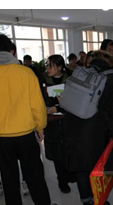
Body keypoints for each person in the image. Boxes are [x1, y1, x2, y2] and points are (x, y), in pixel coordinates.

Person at [0, 34, 54, 205]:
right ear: (11, 52)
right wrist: (40, 127)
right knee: (35, 178)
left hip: (0, 139)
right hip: (26, 136)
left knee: (9, 181)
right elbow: (38, 106)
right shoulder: (26, 73)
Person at [64, 50, 113, 204]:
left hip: (71, 123)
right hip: (94, 129)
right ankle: (98, 200)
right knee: (94, 167)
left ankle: (86, 200)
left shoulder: (82, 72)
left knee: (80, 165)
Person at [42, 55, 71, 194]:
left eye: (51, 66)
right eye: (47, 65)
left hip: (67, 121)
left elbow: (76, 101)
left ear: (60, 67)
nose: (48, 68)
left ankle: (70, 175)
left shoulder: (71, 80)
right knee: (56, 153)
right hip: (52, 123)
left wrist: (59, 107)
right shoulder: (42, 81)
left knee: (69, 150)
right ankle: (62, 181)